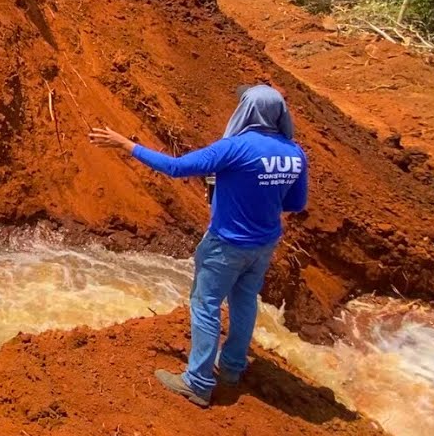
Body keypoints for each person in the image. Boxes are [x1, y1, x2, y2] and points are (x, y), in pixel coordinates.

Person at [88, 84, 308, 408]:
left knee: (205, 305)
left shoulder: (235, 149)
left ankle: (198, 382)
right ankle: (232, 368)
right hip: (264, 244)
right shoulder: (294, 153)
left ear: (248, 110)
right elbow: (295, 203)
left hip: (226, 243)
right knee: (245, 301)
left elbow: (176, 168)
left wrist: (125, 144)